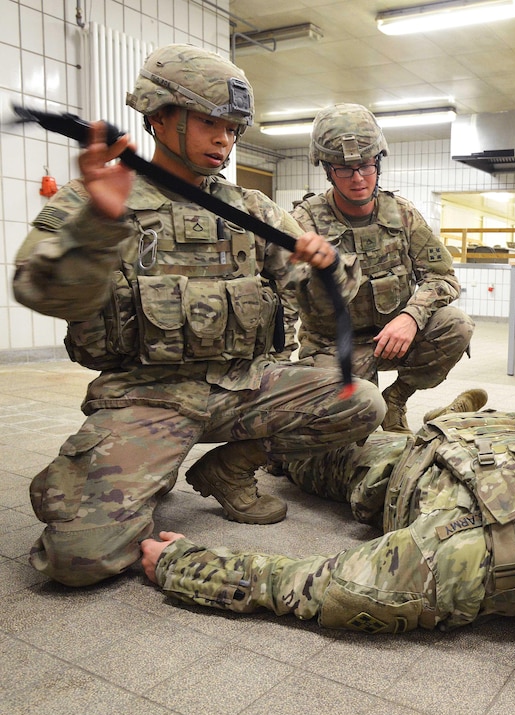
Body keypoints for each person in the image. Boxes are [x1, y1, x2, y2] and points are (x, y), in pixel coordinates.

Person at [11, 45, 385, 587]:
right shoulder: (101, 197)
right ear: (159, 116)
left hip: (242, 386)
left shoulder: (251, 209)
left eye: (233, 129)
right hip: (147, 396)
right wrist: (98, 223)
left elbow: (319, 296)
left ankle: (228, 470)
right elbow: (38, 290)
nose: (224, 141)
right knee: (76, 560)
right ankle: (105, 478)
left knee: (358, 401)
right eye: (211, 123)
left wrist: (330, 268)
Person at [139, 408, 515, 696]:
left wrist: (182, 565)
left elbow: (303, 584)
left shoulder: (447, 565)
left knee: (312, 443)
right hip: (482, 438)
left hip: (391, 464)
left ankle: (252, 456)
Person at [289, 103, 476, 433]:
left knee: (456, 325)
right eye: (345, 169)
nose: (358, 178)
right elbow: (283, 296)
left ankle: (396, 400)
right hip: (333, 348)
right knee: (335, 438)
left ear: (378, 161)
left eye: (366, 165)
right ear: (328, 170)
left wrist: (411, 317)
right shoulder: (305, 221)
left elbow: (442, 275)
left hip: (392, 339)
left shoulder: (401, 214)